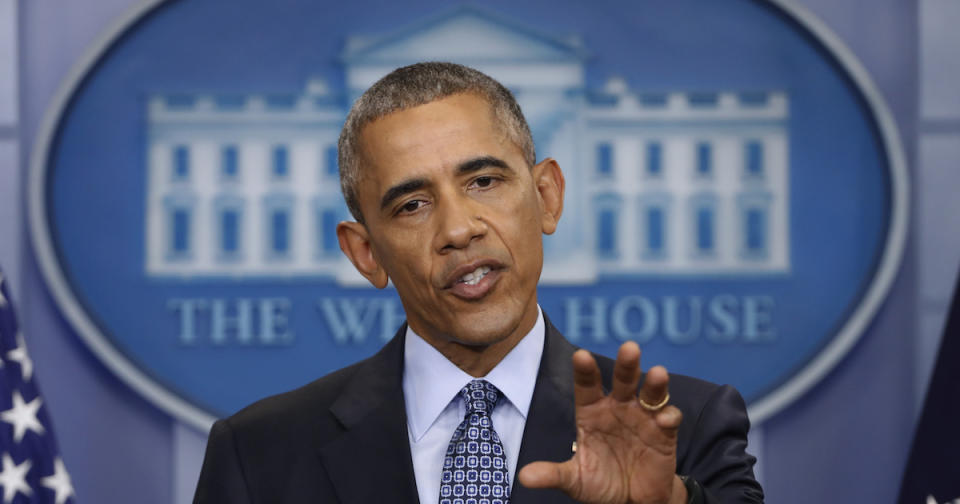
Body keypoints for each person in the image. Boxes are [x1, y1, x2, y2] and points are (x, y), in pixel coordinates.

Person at [193, 62, 764, 504]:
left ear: (546, 196)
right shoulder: (259, 452)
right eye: (412, 204)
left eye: (485, 180)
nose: (459, 229)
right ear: (366, 254)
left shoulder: (684, 425)